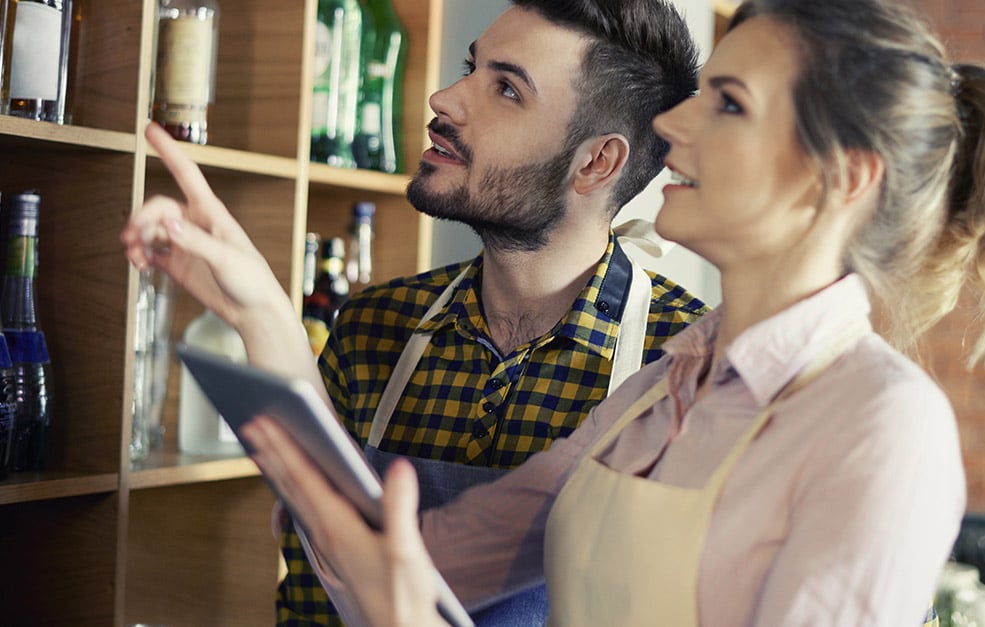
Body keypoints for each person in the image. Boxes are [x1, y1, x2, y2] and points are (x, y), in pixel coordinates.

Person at [234, 0, 985, 624]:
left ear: (842, 177)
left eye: (730, 103)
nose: (671, 124)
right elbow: (408, 568)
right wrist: (267, 329)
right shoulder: (661, 389)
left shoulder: (881, 425)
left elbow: (402, 595)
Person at [121, 1, 707, 625]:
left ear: (596, 163)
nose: (443, 98)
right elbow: (311, 603)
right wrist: (257, 312)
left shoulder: (684, 367)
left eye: (506, 89)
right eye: (470, 67)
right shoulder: (374, 328)